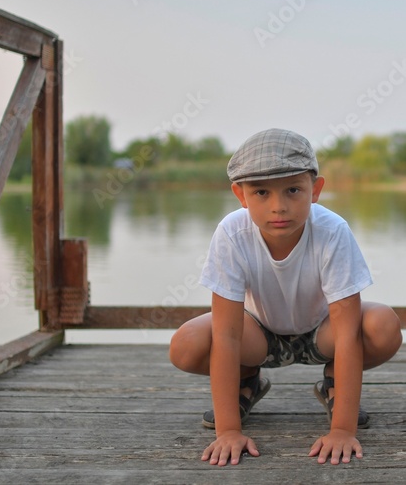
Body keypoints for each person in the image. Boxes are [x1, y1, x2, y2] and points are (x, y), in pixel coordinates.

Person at [169, 128, 402, 466]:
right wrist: (228, 431)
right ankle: (247, 379)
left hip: (325, 332)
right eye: (261, 192)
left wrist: (342, 430)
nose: (279, 207)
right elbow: (227, 333)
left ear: (316, 190)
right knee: (185, 345)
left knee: (383, 325)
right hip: (257, 335)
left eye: (293, 190)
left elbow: (348, 332)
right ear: (241, 194)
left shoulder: (332, 231)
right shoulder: (232, 233)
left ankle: (335, 383)